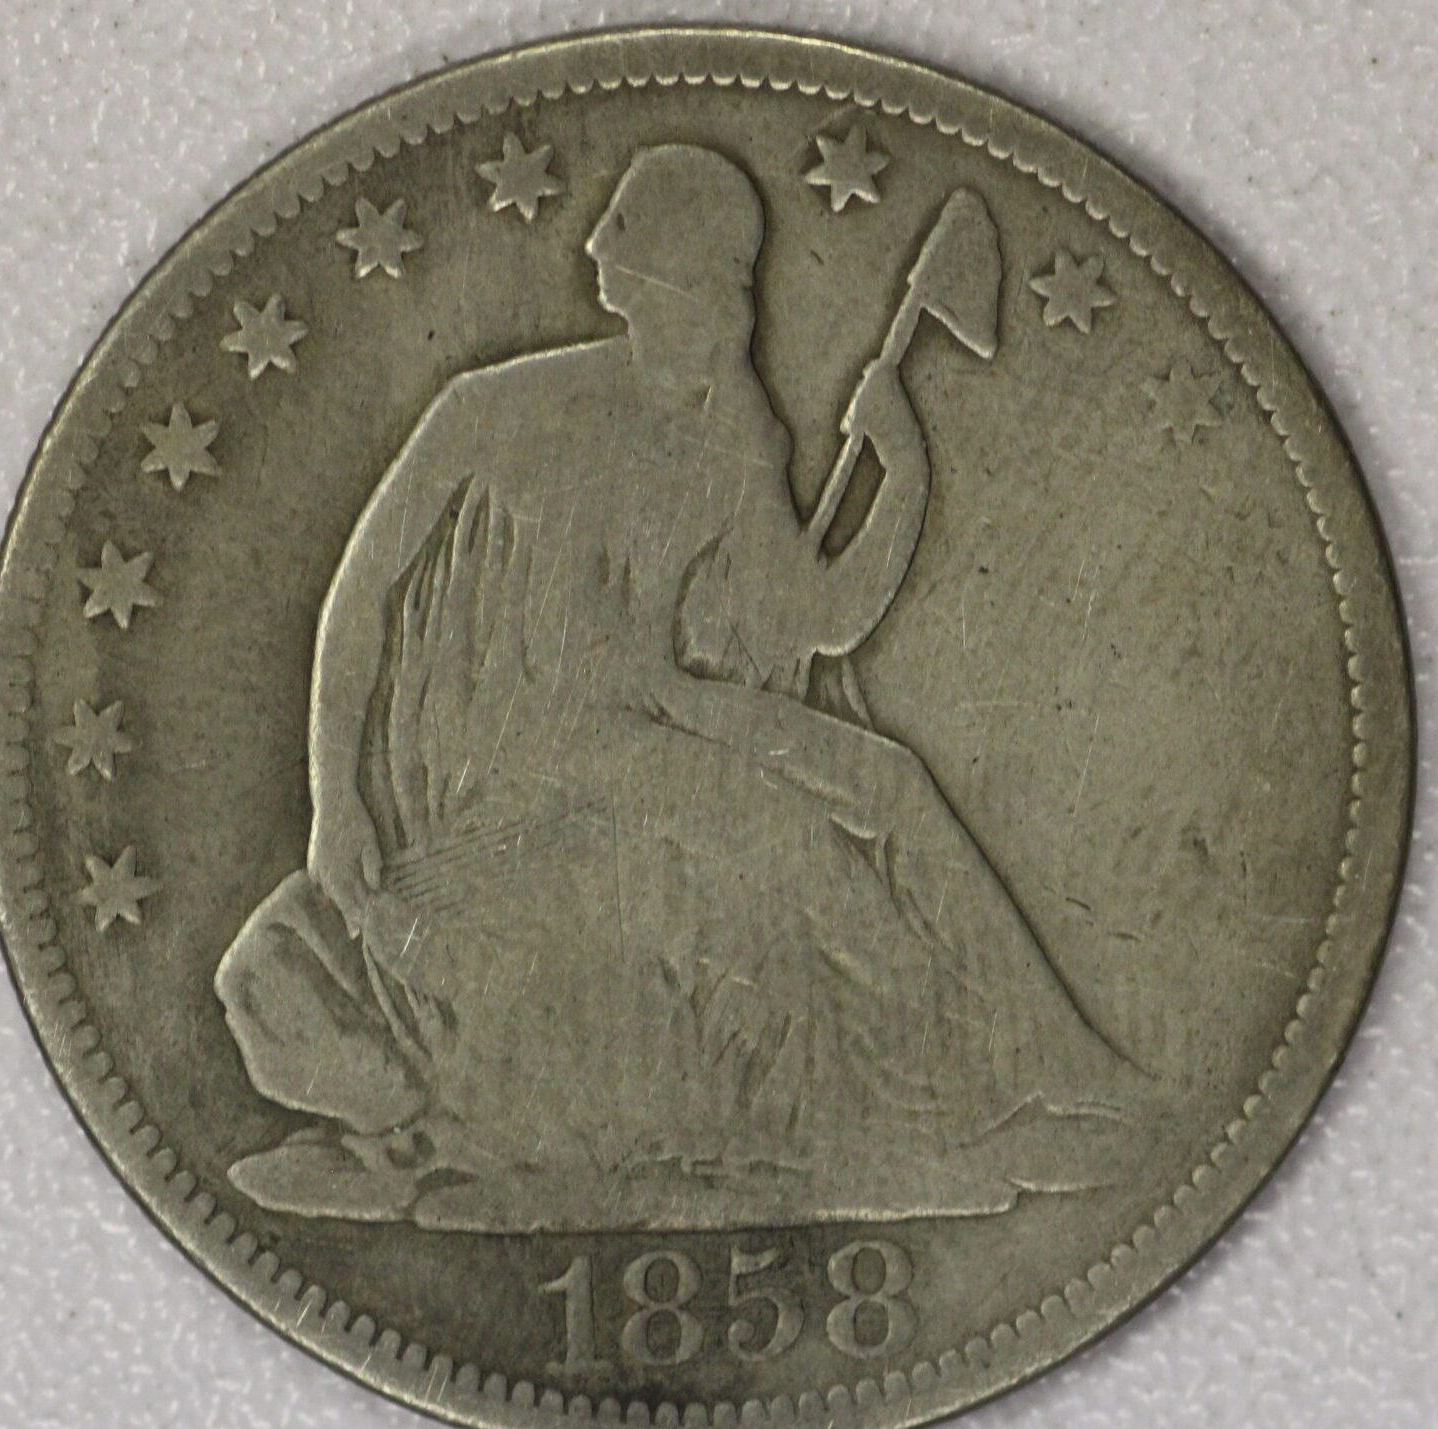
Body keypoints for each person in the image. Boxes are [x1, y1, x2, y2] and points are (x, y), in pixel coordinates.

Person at [216, 145, 1141, 1232]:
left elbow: (818, 619)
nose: (722, 320)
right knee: (782, 839)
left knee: (887, 780)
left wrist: (901, 475)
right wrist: (337, 802)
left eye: (729, 294)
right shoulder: (496, 410)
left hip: (655, 711)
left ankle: (1047, 1071)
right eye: (700, 288)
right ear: (629, 279)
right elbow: (361, 597)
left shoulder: (733, 426)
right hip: (535, 751)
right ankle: (920, 1113)